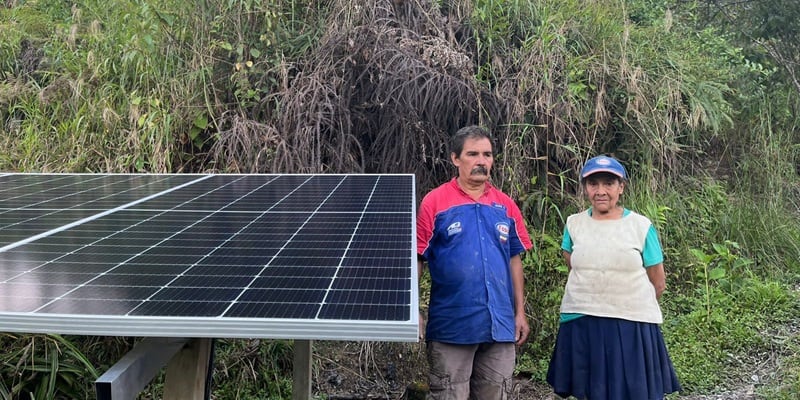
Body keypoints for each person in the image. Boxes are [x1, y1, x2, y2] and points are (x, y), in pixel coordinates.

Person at [546, 155, 681, 399]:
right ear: (585, 188)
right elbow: (575, 265)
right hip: (582, 318)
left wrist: (629, 304)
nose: (600, 191)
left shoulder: (640, 226)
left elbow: (658, 282)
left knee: (632, 391)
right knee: (591, 390)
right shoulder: (574, 224)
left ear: (621, 187)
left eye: (609, 183)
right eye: (593, 183)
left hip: (630, 321)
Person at [416, 125, 533, 400]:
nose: (481, 161)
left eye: (487, 155)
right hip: (452, 326)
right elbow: (418, 257)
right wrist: (413, 310)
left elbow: (514, 259)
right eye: (473, 154)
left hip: (499, 326)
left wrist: (520, 312)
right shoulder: (435, 202)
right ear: (456, 159)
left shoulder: (506, 205)